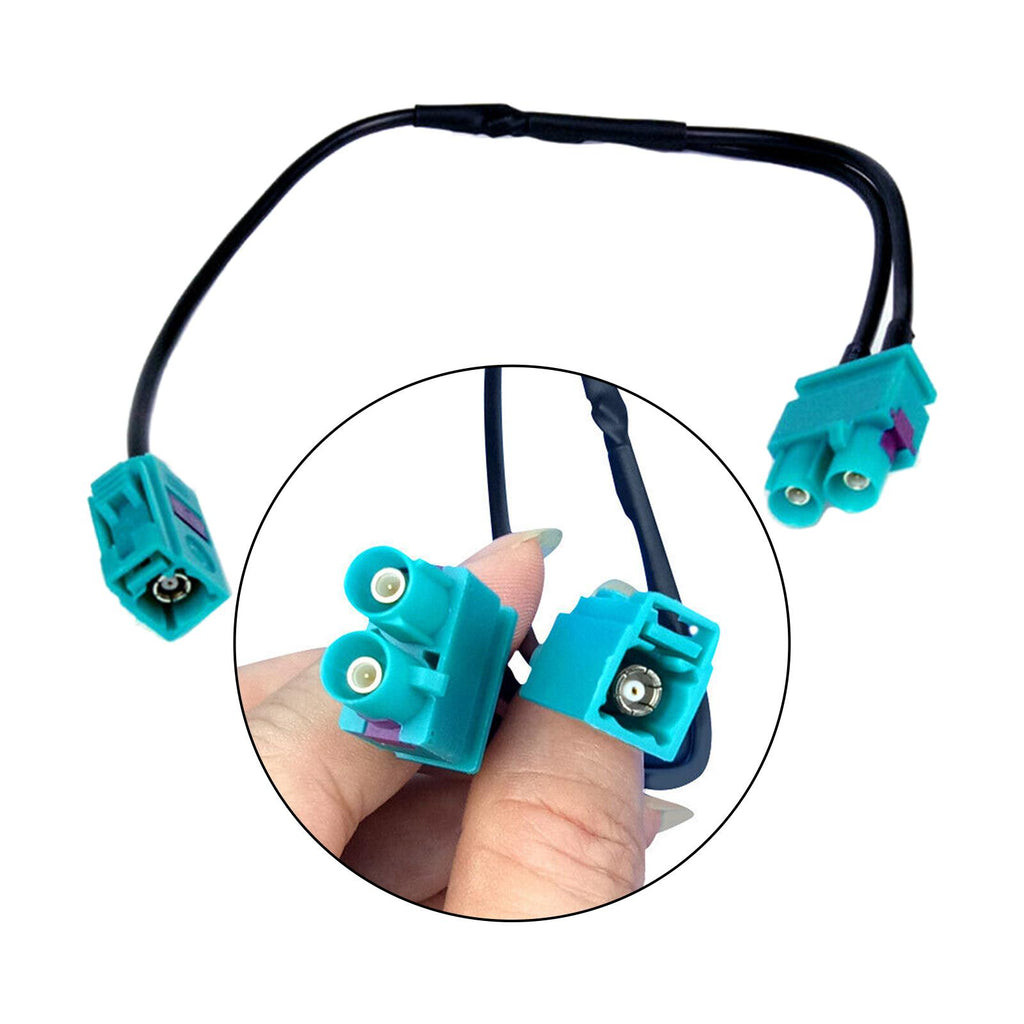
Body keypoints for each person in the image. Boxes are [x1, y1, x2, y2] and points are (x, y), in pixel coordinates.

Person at [238, 529, 691, 920]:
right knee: (403, 691)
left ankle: (404, 658)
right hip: (446, 719)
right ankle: (403, 659)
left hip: (455, 696)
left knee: (409, 678)